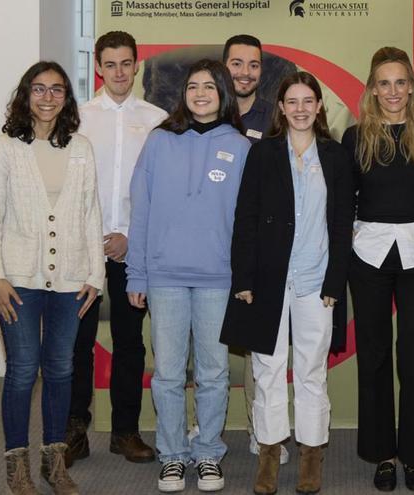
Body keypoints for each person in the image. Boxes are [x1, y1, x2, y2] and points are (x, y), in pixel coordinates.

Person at [219, 71, 353, 495]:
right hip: (269, 283)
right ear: (281, 107)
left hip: (317, 283)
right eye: (291, 101)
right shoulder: (262, 155)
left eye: (307, 101)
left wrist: (335, 280)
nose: (299, 109)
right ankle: (269, 456)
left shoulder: (335, 156)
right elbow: (245, 218)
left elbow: (342, 224)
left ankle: (312, 457)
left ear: (318, 106)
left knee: (312, 373)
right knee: (268, 370)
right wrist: (243, 278)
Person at [0, 61, 104, 495]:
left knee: (61, 369)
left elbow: (91, 214)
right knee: (22, 370)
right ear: (25, 95)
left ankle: (55, 461)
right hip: (18, 280)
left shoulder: (82, 148)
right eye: (39, 89)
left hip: (71, 280)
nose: (47, 97)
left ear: (67, 98)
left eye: (56, 90)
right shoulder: (7, 147)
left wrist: (95, 275)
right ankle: (17, 465)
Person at [125, 59, 250, 493]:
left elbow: (246, 221)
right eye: (193, 86)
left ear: (223, 94)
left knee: (215, 372)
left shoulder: (239, 146)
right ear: (184, 94)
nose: (200, 93)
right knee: (169, 374)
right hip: (165, 277)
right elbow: (140, 210)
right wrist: (136, 275)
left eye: (210, 87)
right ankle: (173, 456)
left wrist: (244, 278)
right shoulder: (159, 141)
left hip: (219, 277)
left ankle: (208, 453)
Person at [341, 46, 414, 492]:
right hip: (369, 255)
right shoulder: (355, 136)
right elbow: (344, 198)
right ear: (372, 88)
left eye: (401, 81)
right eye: (384, 82)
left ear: (412, 86)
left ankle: (413, 455)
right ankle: (383, 454)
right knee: (376, 356)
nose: (393, 91)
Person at [66, 30, 167, 466]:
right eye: (111, 64)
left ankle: (125, 431)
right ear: (99, 67)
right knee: (76, 343)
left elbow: (161, 191)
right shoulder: (79, 119)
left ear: (137, 65)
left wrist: (129, 236)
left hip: (133, 248)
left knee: (130, 343)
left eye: (127, 63)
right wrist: (92, 235)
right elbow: (69, 189)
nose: (119, 72)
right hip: (83, 248)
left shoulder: (159, 119)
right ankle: (73, 431)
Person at [221, 32, 291, 467]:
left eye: (253, 65)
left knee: (258, 344)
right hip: (209, 244)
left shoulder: (276, 119)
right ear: (223, 64)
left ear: (262, 71)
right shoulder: (205, 109)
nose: (244, 72)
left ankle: (260, 430)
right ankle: (201, 427)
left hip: (259, 248)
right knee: (203, 342)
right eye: (236, 63)